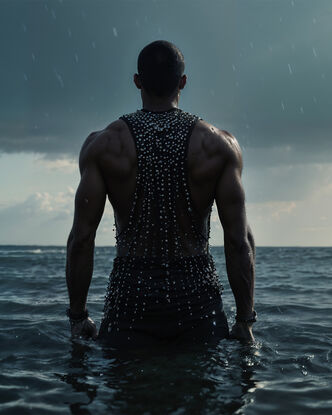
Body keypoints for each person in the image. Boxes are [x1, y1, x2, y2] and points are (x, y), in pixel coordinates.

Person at [65, 40, 256, 348]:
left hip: (130, 302)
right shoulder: (218, 146)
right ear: (183, 81)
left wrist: (77, 318)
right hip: (198, 304)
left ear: (137, 81)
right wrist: (245, 322)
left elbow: (81, 238)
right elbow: (238, 240)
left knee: (130, 391)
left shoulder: (104, 146)